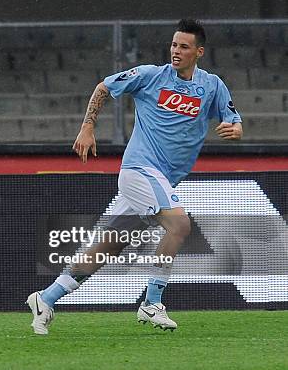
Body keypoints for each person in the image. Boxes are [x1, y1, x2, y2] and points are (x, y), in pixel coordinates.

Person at [27, 19, 242, 335]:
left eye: (184, 46)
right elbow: (104, 87)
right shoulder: (149, 76)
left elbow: (233, 119)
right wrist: (88, 127)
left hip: (161, 181)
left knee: (108, 245)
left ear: (199, 51)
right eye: (173, 44)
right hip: (140, 170)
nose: (176, 51)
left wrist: (235, 129)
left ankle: (46, 298)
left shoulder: (211, 86)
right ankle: (152, 302)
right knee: (179, 224)